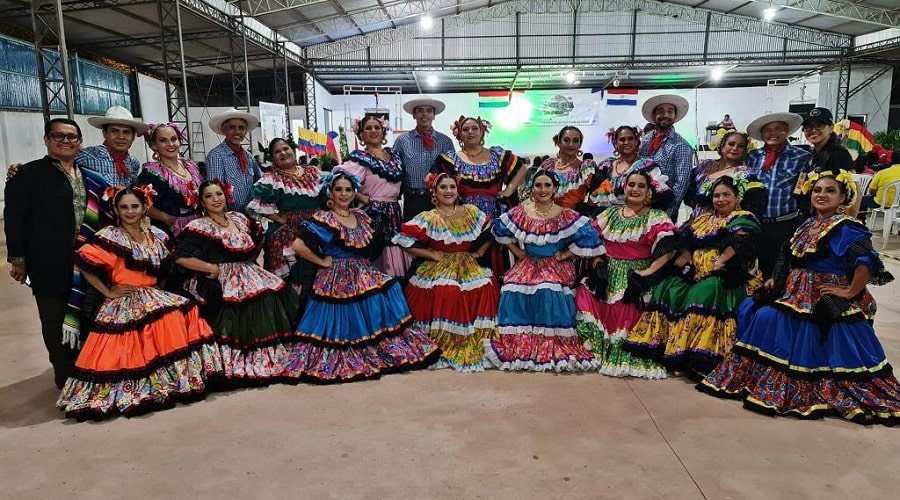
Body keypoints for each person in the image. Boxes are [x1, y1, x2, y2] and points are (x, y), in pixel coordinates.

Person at [698, 170, 900, 425]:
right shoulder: (808, 223)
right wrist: (777, 279)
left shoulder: (847, 227)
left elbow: (866, 261)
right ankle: (757, 375)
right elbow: (789, 255)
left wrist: (849, 292)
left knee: (773, 318)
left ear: (842, 198)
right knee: (752, 307)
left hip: (820, 293)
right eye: (817, 190)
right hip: (795, 290)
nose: (822, 195)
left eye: (830, 191)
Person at [56, 187, 225, 420]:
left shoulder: (157, 235)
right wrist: (108, 291)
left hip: (152, 294)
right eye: (123, 207)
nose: (129, 211)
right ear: (115, 209)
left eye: (134, 206)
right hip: (125, 298)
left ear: (145, 207)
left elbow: (166, 268)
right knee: (146, 326)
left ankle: (178, 380)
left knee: (183, 308)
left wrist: (158, 290)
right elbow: (84, 264)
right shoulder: (110, 236)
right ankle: (137, 388)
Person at [283, 170, 440, 383]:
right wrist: (322, 262)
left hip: (362, 270)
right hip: (335, 274)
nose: (344, 194)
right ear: (330, 192)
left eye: (348, 190)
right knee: (345, 307)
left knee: (387, 287)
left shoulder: (361, 216)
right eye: (338, 190)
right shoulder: (324, 218)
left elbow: (381, 241)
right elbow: (297, 245)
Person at [4, 118, 114, 389]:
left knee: (88, 315)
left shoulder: (90, 177)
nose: (66, 141)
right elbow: (15, 218)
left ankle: (90, 371)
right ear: (47, 139)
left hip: (89, 261)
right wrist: (18, 259)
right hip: (48, 261)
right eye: (59, 136)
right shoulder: (27, 175)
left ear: (80, 142)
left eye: (72, 137)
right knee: (55, 320)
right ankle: (66, 378)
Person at [624, 175, 762, 378]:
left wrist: (722, 260)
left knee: (702, 293)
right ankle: (664, 348)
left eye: (726, 195)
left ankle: (695, 355)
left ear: (736, 197)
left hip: (727, 274)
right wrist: (686, 253)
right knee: (669, 287)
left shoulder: (743, 216)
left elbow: (742, 241)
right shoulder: (705, 218)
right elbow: (686, 238)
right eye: (716, 195)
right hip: (696, 272)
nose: (720, 200)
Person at [175, 180, 300, 386]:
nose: (215, 199)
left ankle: (269, 357)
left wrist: (250, 264)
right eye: (209, 196)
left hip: (247, 271)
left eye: (219, 194)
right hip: (221, 277)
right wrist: (211, 268)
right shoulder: (198, 226)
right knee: (239, 308)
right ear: (201, 201)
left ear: (226, 197)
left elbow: (257, 240)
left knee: (268, 295)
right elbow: (180, 257)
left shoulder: (239, 219)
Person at [485, 169, 603, 372]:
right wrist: (517, 251)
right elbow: (500, 229)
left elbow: (590, 239)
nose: (543, 189)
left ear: (555, 188)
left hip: (555, 265)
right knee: (512, 287)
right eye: (538, 185)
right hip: (529, 263)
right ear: (531, 188)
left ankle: (550, 341)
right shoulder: (523, 212)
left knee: (547, 288)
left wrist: (565, 255)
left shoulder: (565, 214)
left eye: (547, 185)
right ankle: (521, 343)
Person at [574, 170, 677, 379]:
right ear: (624, 187)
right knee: (584, 292)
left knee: (626, 304)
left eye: (641, 186)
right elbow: (592, 241)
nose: (635, 189)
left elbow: (669, 250)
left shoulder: (656, 216)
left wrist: (647, 272)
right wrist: (597, 262)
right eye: (631, 184)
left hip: (636, 274)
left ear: (649, 192)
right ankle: (594, 349)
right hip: (608, 271)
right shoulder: (611, 213)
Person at [393, 172, 499, 371]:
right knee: (446, 289)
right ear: (434, 192)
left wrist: (479, 252)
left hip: (467, 263)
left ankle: (478, 339)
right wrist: (431, 255)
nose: (448, 191)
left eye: (452, 187)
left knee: (485, 284)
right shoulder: (429, 217)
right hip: (438, 266)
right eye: (443, 187)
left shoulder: (470, 211)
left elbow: (490, 233)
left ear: (458, 191)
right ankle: (443, 342)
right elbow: (403, 241)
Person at [433, 115, 525, 278]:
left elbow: (522, 168)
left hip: (493, 217)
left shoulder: (497, 155)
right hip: (462, 220)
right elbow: (434, 182)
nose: (470, 132)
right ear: (459, 134)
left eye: (475, 128)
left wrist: (509, 189)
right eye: (465, 129)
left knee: (495, 262)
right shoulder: (450, 158)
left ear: (482, 132)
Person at [246, 137, 324, 301]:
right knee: (292, 270)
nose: (283, 153)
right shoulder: (272, 179)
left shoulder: (312, 172)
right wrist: (279, 218)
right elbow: (255, 203)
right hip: (288, 230)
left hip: (316, 226)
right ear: (272, 158)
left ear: (293, 151)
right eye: (277, 152)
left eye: (285, 148)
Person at [336, 116, 411, 278]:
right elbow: (338, 180)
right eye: (368, 128)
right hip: (371, 214)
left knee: (394, 251)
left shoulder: (395, 156)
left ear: (383, 131)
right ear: (361, 134)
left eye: (377, 127)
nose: (373, 131)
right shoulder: (360, 159)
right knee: (374, 255)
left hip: (393, 212)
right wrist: (361, 197)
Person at [7, 106, 148, 185]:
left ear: (133, 136)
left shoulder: (133, 163)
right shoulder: (87, 155)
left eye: (126, 132)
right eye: (114, 131)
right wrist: (22, 170)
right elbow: (55, 163)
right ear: (104, 133)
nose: (121, 137)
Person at [745, 112, 811, 279]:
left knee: (784, 271)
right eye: (768, 130)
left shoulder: (802, 157)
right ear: (761, 134)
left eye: (778, 129)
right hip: (758, 224)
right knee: (762, 270)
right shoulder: (751, 158)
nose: (772, 133)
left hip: (786, 224)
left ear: (787, 131)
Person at [136, 123, 203, 238]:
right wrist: (165, 217)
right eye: (163, 140)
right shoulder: (151, 173)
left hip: (199, 226)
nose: (170, 144)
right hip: (171, 231)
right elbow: (139, 202)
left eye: (174, 139)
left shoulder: (191, 166)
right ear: (154, 145)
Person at [394, 96, 454, 221]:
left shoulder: (445, 141)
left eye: (428, 110)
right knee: (412, 237)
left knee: (438, 237)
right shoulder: (402, 140)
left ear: (434, 115)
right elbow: (394, 168)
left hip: (439, 200)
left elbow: (452, 171)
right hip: (412, 199)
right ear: (414, 115)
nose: (424, 114)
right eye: (420, 110)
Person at [686, 130, 766, 220]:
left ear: (744, 151)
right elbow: (689, 192)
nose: (735, 148)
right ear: (722, 146)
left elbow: (751, 204)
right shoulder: (705, 166)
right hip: (696, 222)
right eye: (731, 144)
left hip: (724, 224)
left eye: (740, 146)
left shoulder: (746, 173)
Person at [639, 94, 694, 221]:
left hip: (663, 208)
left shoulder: (681, 145)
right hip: (640, 205)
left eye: (670, 111)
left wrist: (666, 216)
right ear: (654, 116)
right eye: (661, 111)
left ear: (675, 116)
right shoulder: (645, 141)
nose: (665, 115)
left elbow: (682, 184)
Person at [590, 125, 670, 212]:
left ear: (636, 141)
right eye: (622, 139)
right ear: (615, 143)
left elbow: (662, 195)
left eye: (630, 139)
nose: (626, 142)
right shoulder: (606, 166)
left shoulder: (646, 165)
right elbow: (594, 192)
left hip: (636, 217)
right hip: (606, 217)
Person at [802, 107, 858, 215]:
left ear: (831, 128)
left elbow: (854, 190)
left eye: (819, 125)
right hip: (818, 215)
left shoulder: (839, 154)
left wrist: (848, 222)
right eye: (808, 126)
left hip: (834, 218)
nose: (813, 130)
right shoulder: (813, 155)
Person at [205, 108, 262, 213]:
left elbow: (259, 183)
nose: (237, 131)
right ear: (224, 130)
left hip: (251, 216)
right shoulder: (216, 156)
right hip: (229, 217)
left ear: (245, 131)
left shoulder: (248, 157)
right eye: (232, 127)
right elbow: (215, 191)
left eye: (241, 128)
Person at [539, 126, 596, 215]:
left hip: (573, 220)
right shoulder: (548, 165)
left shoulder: (585, 168)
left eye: (575, 141)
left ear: (580, 144)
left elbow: (601, 189)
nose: (571, 144)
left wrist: (585, 208)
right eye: (566, 140)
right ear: (559, 143)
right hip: (546, 216)